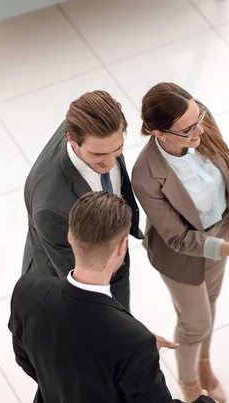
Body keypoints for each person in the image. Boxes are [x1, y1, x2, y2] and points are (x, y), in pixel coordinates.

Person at [9, 191, 221, 403]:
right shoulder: (134, 342)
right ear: (122, 246)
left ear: (70, 236)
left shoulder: (27, 291)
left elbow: (26, 359)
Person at [131, 82, 229, 403]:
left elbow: (224, 164)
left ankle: (204, 365)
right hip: (181, 253)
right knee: (195, 322)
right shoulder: (146, 174)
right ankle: (188, 384)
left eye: (199, 117)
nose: (200, 130)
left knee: (210, 305)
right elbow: (179, 238)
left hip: (221, 231)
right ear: (158, 133)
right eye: (187, 129)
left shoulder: (199, 123)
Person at [22, 90, 143, 311]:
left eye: (117, 150)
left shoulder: (93, 125)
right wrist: (126, 330)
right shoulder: (51, 206)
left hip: (111, 254)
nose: (109, 163)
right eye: (98, 156)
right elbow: (86, 284)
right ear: (71, 139)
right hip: (66, 280)